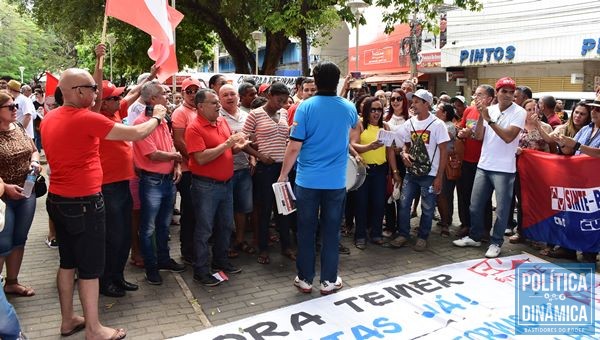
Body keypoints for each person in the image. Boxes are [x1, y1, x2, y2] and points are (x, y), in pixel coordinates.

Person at [41, 45, 167, 339]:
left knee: (67, 263)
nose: (97, 93)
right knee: (89, 268)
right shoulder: (85, 118)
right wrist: (158, 116)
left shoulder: (50, 117)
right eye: (93, 88)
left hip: (59, 199)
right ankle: (95, 328)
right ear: (76, 91)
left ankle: (68, 319)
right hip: (84, 202)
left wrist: (98, 60)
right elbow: (136, 133)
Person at [278, 61, 358, 295]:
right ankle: (328, 281)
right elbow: (355, 130)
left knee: (306, 230)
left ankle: (304, 279)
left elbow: (294, 147)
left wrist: (283, 175)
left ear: (315, 79)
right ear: (338, 81)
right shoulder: (348, 107)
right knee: (331, 231)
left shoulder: (305, 107)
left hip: (307, 181)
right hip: (335, 182)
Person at [453, 77, 526, 258]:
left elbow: (508, 137)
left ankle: (496, 242)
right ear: (497, 93)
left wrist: (489, 120)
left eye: (511, 92)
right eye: (504, 91)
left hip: (504, 169)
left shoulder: (519, 112)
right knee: (475, 206)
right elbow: (478, 136)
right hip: (484, 165)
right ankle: (475, 236)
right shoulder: (489, 110)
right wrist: (480, 115)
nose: (508, 95)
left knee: (501, 210)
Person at [186, 89, 249, 286]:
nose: (218, 105)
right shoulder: (194, 128)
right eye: (213, 103)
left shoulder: (220, 121)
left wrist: (240, 144)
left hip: (226, 183)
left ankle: (221, 262)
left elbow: (229, 148)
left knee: (225, 225)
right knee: (205, 230)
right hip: (206, 186)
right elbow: (201, 157)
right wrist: (227, 144)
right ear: (200, 106)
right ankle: (201, 271)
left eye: (217, 102)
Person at [133, 81, 184, 285]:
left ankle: (164, 260)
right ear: (152, 99)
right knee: (148, 228)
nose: (168, 96)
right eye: (164, 93)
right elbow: (152, 154)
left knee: (163, 225)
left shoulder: (162, 120)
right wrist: (177, 157)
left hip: (168, 180)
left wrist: (177, 165)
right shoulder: (140, 123)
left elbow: (169, 144)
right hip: (152, 181)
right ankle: (151, 267)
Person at [389, 89, 449, 251]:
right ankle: (403, 234)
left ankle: (423, 237)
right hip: (411, 173)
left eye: (416, 101)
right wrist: (404, 154)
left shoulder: (438, 125)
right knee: (403, 204)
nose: (413, 104)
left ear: (426, 104)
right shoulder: (409, 123)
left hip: (429, 174)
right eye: (413, 101)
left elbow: (444, 151)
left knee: (428, 207)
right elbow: (403, 144)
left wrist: (439, 177)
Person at [243, 82, 294, 264]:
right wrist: (260, 156)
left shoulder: (284, 113)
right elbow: (242, 141)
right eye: (278, 100)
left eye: (284, 101)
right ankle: (263, 249)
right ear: (269, 96)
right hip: (265, 170)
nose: (281, 104)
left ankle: (286, 246)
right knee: (264, 210)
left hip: (283, 168)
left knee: (284, 209)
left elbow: (286, 137)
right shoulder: (255, 114)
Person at [0, 92, 41, 298]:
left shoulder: (18, 128)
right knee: (2, 242)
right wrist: (5, 187)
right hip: (2, 199)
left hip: (26, 192)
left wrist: (34, 162)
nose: (16, 108)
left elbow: (34, 149)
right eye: (10, 106)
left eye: (15, 105)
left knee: (19, 239)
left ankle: (12, 282)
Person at [350, 96, 400, 249]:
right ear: (366, 111)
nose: (376, 113)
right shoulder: (359, 125)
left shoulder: (385, 127)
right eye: (373, 110)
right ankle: (360, 235)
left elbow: (390, 151)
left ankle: (376, 234)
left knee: (379, 204)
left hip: (380, 170)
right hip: (363, 170)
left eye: (379, 109)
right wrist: (368, 148)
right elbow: (351, 144)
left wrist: (395, 171)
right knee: (361, 204)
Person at [219, 84, 255, 258]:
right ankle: (226, 244)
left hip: (243, 169)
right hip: (223, 171)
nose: (229, 97)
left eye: (232, 93)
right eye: (225, 95)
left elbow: (252, 142)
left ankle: (240, 240)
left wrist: (254, 158)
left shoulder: (247, 116)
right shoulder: (217, 117)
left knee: (242, 208)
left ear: (238, 97)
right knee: (225, 211)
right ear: (219, 99)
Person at [455, 85, 495, 240]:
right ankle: (466, 224)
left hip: (484, 162)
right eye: (475, 94)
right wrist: (462, 133)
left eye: (480, 95)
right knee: (465, 194)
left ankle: (485, 228)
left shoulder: (493, 113)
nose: (476, 97)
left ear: (490, 99)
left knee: (483, 197)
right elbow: (462, 128)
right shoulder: (468, 110)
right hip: (466, 159)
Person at [172, 77, 201, 265]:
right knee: (190, 210)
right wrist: (193, 159)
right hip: (188, 168)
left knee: (200, 211)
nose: (192, 94)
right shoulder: (180, 113)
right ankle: (187, 249)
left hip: (202, 168)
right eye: (188, 91)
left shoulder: (202, 109)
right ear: (183, 93)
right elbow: (179, 140)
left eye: (195, 90)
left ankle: (198, 247)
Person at [434, 103, 458, 236]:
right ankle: (445, 218)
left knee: (445, 193)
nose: (435, 111)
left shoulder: (449, 126)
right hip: (437, 162)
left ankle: (447, 219)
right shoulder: (440, 124)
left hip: (446, 164)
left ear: (444, 113)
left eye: (438, 110)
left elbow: (442, 138)